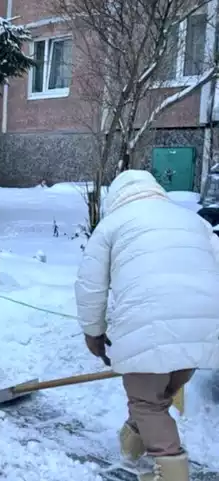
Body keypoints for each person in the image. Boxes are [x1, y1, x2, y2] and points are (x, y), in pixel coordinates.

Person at [75, 169, 219, 481]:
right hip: (203, 331)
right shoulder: (194, 221)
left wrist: (93, 333)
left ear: (117, 196)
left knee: (147, 401)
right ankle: (132, 443)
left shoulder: (112, 225)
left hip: (148, 323)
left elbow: (91, 286)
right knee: (156, 396)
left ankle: (171, 474)